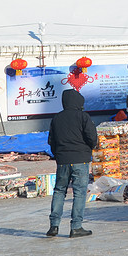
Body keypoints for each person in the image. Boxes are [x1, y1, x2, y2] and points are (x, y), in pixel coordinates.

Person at [46, 89, 98, 238]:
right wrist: (89, 148)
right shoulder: (83, 117)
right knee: (79, 193)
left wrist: (59, 155)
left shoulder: (57, 118)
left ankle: (54, 226)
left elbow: (52, 142)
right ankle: (76, 227)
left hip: (62, 161)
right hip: (80, 160)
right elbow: (92, 137)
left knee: (59, 191)